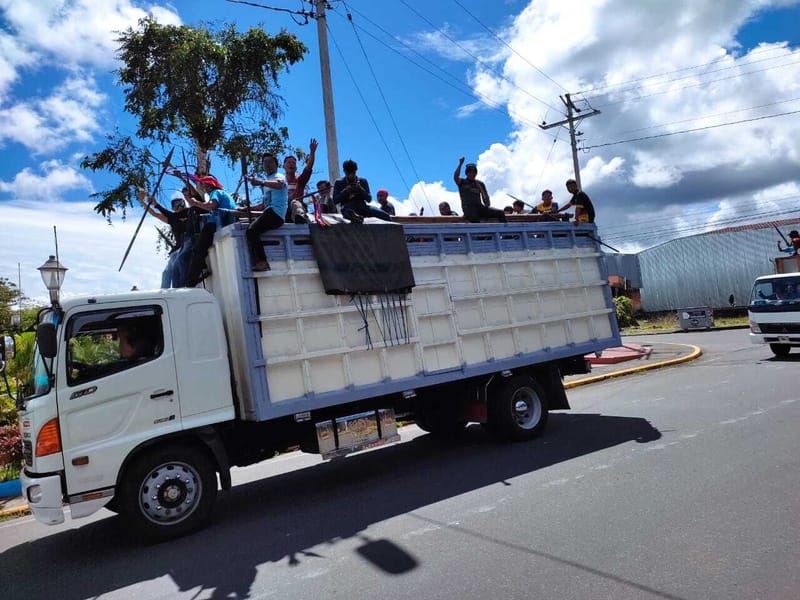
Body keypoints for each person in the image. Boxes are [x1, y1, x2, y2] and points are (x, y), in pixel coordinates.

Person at [184, 174, 236, 286]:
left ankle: (190, 280)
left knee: (198, 248)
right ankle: (202, 265)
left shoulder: (215, 193)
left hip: (216, 223)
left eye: (205, 186)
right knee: (200, 245)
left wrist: (195, 203)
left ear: (210, 186)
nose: (204, 189)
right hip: (224, 221)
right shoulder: (224, 194)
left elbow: (211, 206)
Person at [136, 188, 189, 288]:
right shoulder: (172, 218)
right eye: (175, 205)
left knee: (177, 263)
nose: (178, 207)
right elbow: (155, 214)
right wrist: (142, 201)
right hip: (177, 249)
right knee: (166, 273)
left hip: (186, 246)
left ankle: (181, 288)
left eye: (180, 203)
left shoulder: (190, 213)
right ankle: (164, 293)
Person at [245, 152, 288, 271]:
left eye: (270, 162)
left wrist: (260, 182)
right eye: (265, 162)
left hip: (276, 214)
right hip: (269, 211)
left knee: (252, 230)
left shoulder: (279, 176)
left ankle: (262, 262)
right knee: (249, 228)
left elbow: (279, 185)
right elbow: (264, 204)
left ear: (276, 164)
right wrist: (248, 209)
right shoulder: (267, 182)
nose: (267, 164)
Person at [453, 157, 506, 223]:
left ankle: (507, 231)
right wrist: (460, 164)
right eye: (470, 173)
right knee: (474, 219)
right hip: (468, 209)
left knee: (500, 213)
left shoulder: (480, 184)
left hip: (480, 208)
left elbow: (487, 204)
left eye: (474, 173)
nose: (472, 174)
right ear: (467, 173)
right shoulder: (462, 182)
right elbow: (455, 177)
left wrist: (482, 191)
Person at [284, 138, 318, 224]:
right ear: (283, 166)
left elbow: (308, 167)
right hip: (282, 209)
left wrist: (312, 152)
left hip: (297, 208)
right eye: (289, 162)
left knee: (295, 203)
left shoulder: (300, 180)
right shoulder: (279, 181)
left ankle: (300, 217)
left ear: (296, 167)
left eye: (294, 163)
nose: (291, 164)